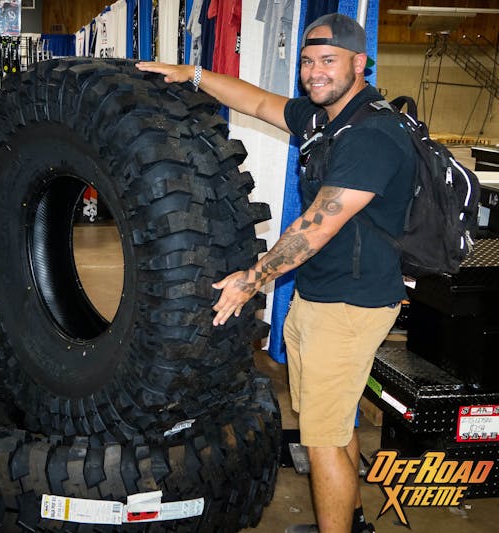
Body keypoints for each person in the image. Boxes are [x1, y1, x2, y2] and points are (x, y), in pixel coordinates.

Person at [137, 13, 414, 533]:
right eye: (308, 62)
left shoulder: (372, 133)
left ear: (360, 63)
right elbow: (257, 101)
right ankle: (348, 520)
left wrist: (253, 278)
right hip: (319, 295)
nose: (315, 72)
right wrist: (191, 74)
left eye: (328, 61)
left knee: (323, 437)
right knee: (328, 422)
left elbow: (318, 226)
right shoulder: (323, 116)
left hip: (352, 305)